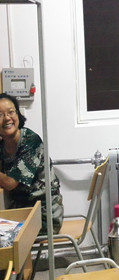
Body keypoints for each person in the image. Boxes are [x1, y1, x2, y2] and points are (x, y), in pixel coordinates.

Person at [0, 93, 63, 234]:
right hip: (20, 211)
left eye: (11, 112)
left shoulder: (31, 141)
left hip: (44, 215)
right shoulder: (2, 145)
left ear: (18, 114)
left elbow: (10, 183)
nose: (7, 118)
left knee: (3, 238)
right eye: (0, 115)